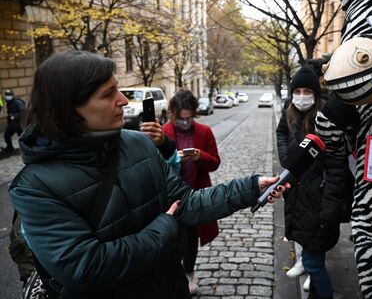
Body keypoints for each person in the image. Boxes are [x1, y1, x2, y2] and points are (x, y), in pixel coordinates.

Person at [9, 50, 288, 299]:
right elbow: (86, 267)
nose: (122, 100)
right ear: (69, 108)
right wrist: (164, 228)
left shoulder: (137, 143)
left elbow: (185, 203)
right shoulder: (34, 186)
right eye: (108, 94)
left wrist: (250, 187)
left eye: (118, 89)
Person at [276, 66, 353, 299]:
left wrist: (329, 211)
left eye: (306, 90)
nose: (301, 96)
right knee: (309, 253)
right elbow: (281, 133)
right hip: (299, 196)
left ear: (316, 93)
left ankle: (324, 292)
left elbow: (337, 170)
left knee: (313, 259)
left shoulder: (326, 119)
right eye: (297, 91)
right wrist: (286, 157)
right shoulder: (290, 114)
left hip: (318, 201)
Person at [140, 89, 220, 295]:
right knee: (173, 238)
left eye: (189, 118)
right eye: (181, 119)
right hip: (168, 196)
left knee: (192, 237)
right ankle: (172, 276)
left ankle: (189, 273)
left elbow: (214, 163)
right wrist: (171, 157)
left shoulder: (204, 132)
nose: (185, 123)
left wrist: (199, 156)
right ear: (173, 113)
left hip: (195, 194)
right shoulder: (163, 132)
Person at [1, 88, 25, 155]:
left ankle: (26, 150)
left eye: (9, 94)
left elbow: (23, 111)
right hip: (11, 124)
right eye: (6, 95)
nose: (7, 96)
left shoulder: (17, 102)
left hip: (18, 124)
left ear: (12, 95)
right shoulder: (8, 102)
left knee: (22, 138)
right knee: (7, 135)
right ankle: (9, 148)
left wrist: (15, 116)